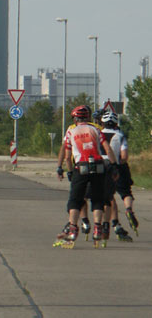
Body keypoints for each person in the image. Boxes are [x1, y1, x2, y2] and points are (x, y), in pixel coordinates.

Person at [59, 105, 119, 247]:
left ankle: (73, 229)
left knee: (75, 199)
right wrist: (114, 166)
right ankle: (97, 228)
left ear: (75, 118)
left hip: (81, 167)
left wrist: (69, 171)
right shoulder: (96, 129)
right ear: (87, 117)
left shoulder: (71, 132)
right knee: (97, 198)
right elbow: (107, 148)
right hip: (98, 165)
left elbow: (68, 157)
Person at [101, 110, 138, 239]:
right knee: (126, 192)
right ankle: (128, 209)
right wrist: (119, 163)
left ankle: (114, 223)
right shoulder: (120, 135)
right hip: (118, 167)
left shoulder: (98, 135)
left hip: (103, 168)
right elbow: (124, 156)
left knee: (109, 197)